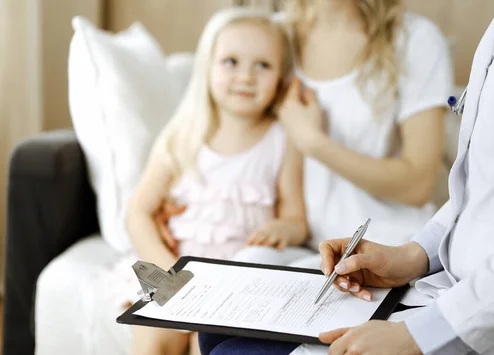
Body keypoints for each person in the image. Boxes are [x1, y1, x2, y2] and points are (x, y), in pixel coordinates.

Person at [215, 0, 494, 354]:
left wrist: (422, 335)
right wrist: (412, 255)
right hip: (456, 290)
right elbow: (490, 188)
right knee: (216, 329)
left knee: (236, 351)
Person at [156, 0, 452, 272]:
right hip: (299, 246)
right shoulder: (272, 36)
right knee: (247, 268)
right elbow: (226, 131)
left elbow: (418, 185)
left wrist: (314, 142)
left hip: (387, 247)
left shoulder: (414, 39)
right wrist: (184, 204)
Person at [116, 7, 305, 355]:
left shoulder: (282, 140)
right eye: (231, 61)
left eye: (262, 65)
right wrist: (165, 273)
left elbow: (296, 219)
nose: (246, 76)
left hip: (231, 286)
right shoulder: (185, 133)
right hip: (172, 273)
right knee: (153, 342)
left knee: (204, 347)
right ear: (207, 67)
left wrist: (283, 229)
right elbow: (138, 212)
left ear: (281, 77)